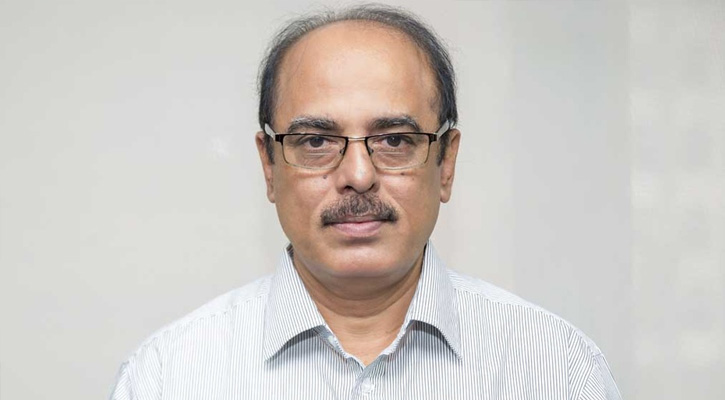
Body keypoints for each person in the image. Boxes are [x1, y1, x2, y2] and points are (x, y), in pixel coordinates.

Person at [110, 4, 621, 399]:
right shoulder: (169, 376)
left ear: (446, 162)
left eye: (395, 140)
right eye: (316, 141)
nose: (358, 176)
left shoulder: (557, 369)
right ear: (269, 165)